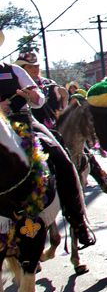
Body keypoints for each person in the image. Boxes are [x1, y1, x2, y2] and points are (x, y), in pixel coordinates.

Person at [0, 33, 94, 248]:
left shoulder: (14, 71)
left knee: (61, 158)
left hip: (23, 121)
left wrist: (33, 96)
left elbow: (39, 99)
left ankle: (78, 222)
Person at [13, 51, 67, 130]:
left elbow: (61, 108)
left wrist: (65, 97)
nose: (34, 69)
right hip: (26, 126)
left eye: (36, 66)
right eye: (29, 67)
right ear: (22, 69)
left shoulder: (50, 84)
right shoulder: (16, 86)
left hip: (52, 126)